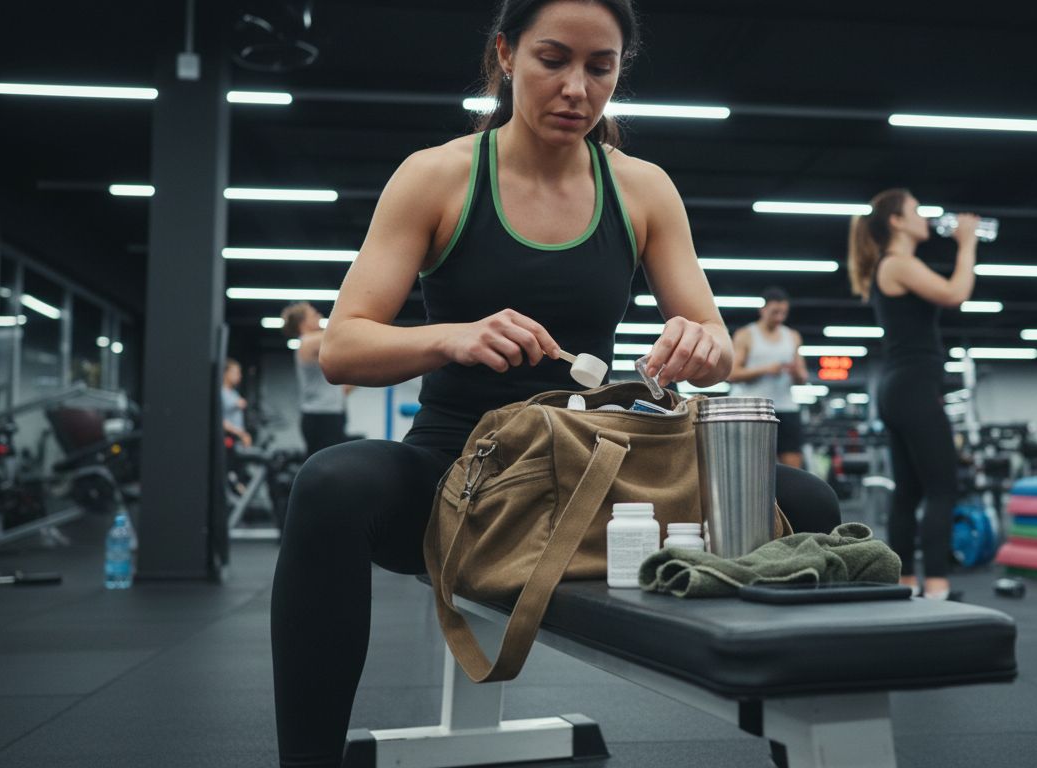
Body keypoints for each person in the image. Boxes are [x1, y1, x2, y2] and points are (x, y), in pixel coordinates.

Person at [270, 2, 842, 765]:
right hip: (456, 479)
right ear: (506, 55)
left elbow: (717, 344)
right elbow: (340, 348)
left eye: (599, 68)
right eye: (553, 60)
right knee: (331, 484)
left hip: (596, 471)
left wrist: (699, 344)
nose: (577, 86)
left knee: (805, 502)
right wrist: (452, 336)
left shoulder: (642, 189)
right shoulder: (436, 175)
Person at [848, 189, 979, 601]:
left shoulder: (892, 265)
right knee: (942, 487)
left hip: (901, 387)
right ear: (897, 222)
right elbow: (956, 293)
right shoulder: (899, 263)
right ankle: (937, 586)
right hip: (913, 387)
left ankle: (905, 585)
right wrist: (968, 242)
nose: (925, 218)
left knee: (910, 491)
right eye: (917, 211)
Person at [727, 286, 809, 467]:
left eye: (783, 313)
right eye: (774, 312)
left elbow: (802, 378)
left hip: (785, 407)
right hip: (751, 409)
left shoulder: (792, 336)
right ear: (762, 310)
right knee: (751, 465)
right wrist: (765, 369)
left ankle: (788, 497)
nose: (779, 317)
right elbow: (731, 373)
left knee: (793, 465)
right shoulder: (746, 335)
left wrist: (796, 372)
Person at [280, 302, 352, 457]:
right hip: (320, 417)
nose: (319, 316)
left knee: (337, 465)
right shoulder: (307, 342)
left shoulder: (320, 345)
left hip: (334, 414)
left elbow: (344, 388)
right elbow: (340, 334)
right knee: (325, 467)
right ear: (302, 323)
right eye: (314, 314)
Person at [221, 358, 252, 447]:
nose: (240, 376)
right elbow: (220, 420)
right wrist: (241, 434)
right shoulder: (220, 393)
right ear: (225, 373)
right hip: (227, 438)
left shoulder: (234, 393)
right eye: (236, 373)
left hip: (237, 439)